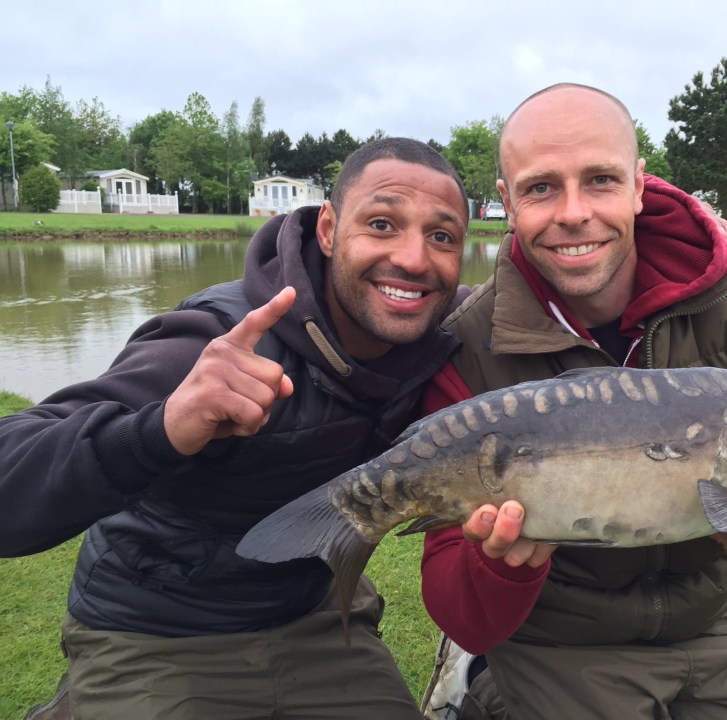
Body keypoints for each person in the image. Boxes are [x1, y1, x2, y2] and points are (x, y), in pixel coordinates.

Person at [419, 84, 727, 720]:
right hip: (552, 637)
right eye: (541, 188)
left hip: (707, 628)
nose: (573, 212)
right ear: (506, 203)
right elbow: (458, 604)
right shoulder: (465, 343)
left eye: (600, 180)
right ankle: (469, 683)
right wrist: (504, 568)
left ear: (640, 185)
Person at [0, 137, 471, 719]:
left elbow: (544, 300)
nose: (413, 258)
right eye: (381, 223)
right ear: (327, 229)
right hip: (154, 627)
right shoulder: (214, 339)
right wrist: (162, 428)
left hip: (313, 617)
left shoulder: (441, 333)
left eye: (442, 236)